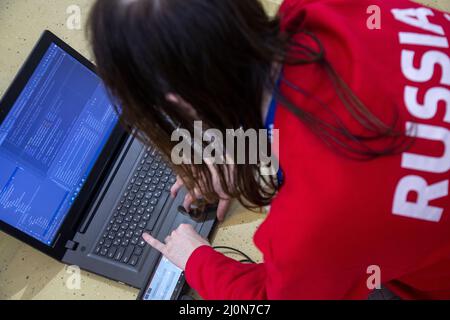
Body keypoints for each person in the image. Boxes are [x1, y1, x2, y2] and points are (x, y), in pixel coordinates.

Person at [88, 0, 450, 299]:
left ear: (177, 102)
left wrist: (196, 258)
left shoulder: (311, 225)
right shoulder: (325, 10)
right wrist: (245, 144)